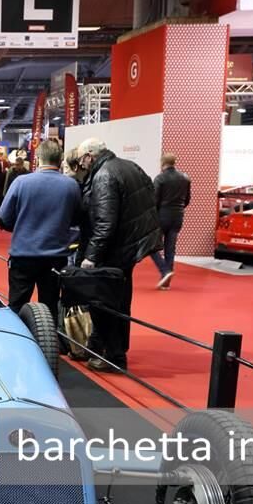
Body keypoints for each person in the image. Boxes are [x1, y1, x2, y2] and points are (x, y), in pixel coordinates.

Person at [75, 138, 163, 372]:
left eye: (82, 159)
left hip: (113, 249)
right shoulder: (129, 166)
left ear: (90, 156)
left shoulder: (104, 175)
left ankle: (112, 354)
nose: (81, 164)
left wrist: (91, 255)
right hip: (129, 247)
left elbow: (105, 222)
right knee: (120, 302)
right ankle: (102, 347)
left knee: (104, 303)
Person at [0, 139, 81, 318]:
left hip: (23, 254)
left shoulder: (21, 182)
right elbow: (76, 219)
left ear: (38, 159)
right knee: (50, 306)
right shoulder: (71, 186)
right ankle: (48, 344)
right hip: (55, 257)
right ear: (60, 160)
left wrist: (20, 226)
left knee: (16, 306)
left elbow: (3, 217)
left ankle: (16, 343)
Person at [148, 153, 192, 290]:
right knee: (170, 248)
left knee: (151, 246)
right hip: (178, 216)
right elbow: (187, 200)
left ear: (162, 163)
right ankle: (166, 282)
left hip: (162, 215)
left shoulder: (160, 178)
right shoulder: (185, 178)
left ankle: (164, 270)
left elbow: (154, 200)